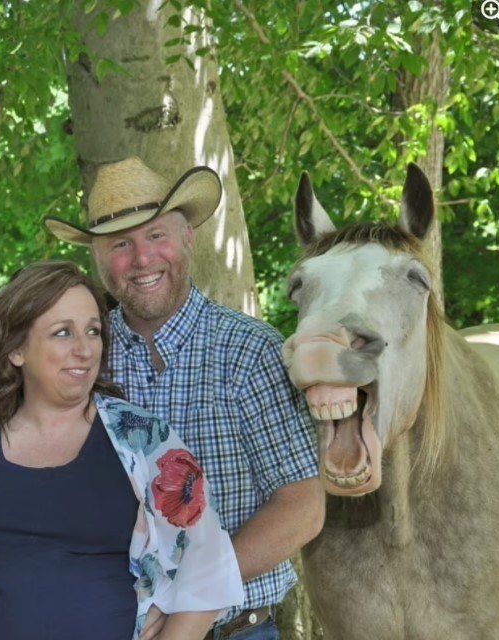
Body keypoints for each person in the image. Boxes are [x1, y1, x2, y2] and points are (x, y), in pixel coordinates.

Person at [0, 261, 244, 640]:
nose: (85, 349)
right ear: (16, 349)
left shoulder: (144, 442)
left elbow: (207, 571)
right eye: (63, 333)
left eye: (93, 331)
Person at [44, 158, 325, 640]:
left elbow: (303, 506)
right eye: (120, 245)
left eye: (156, 236)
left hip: (240, 631)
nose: (142, 259)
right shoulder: (82, 362)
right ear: (97, 258)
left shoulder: (249, 352)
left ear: (189, 237)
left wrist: (185, 598)